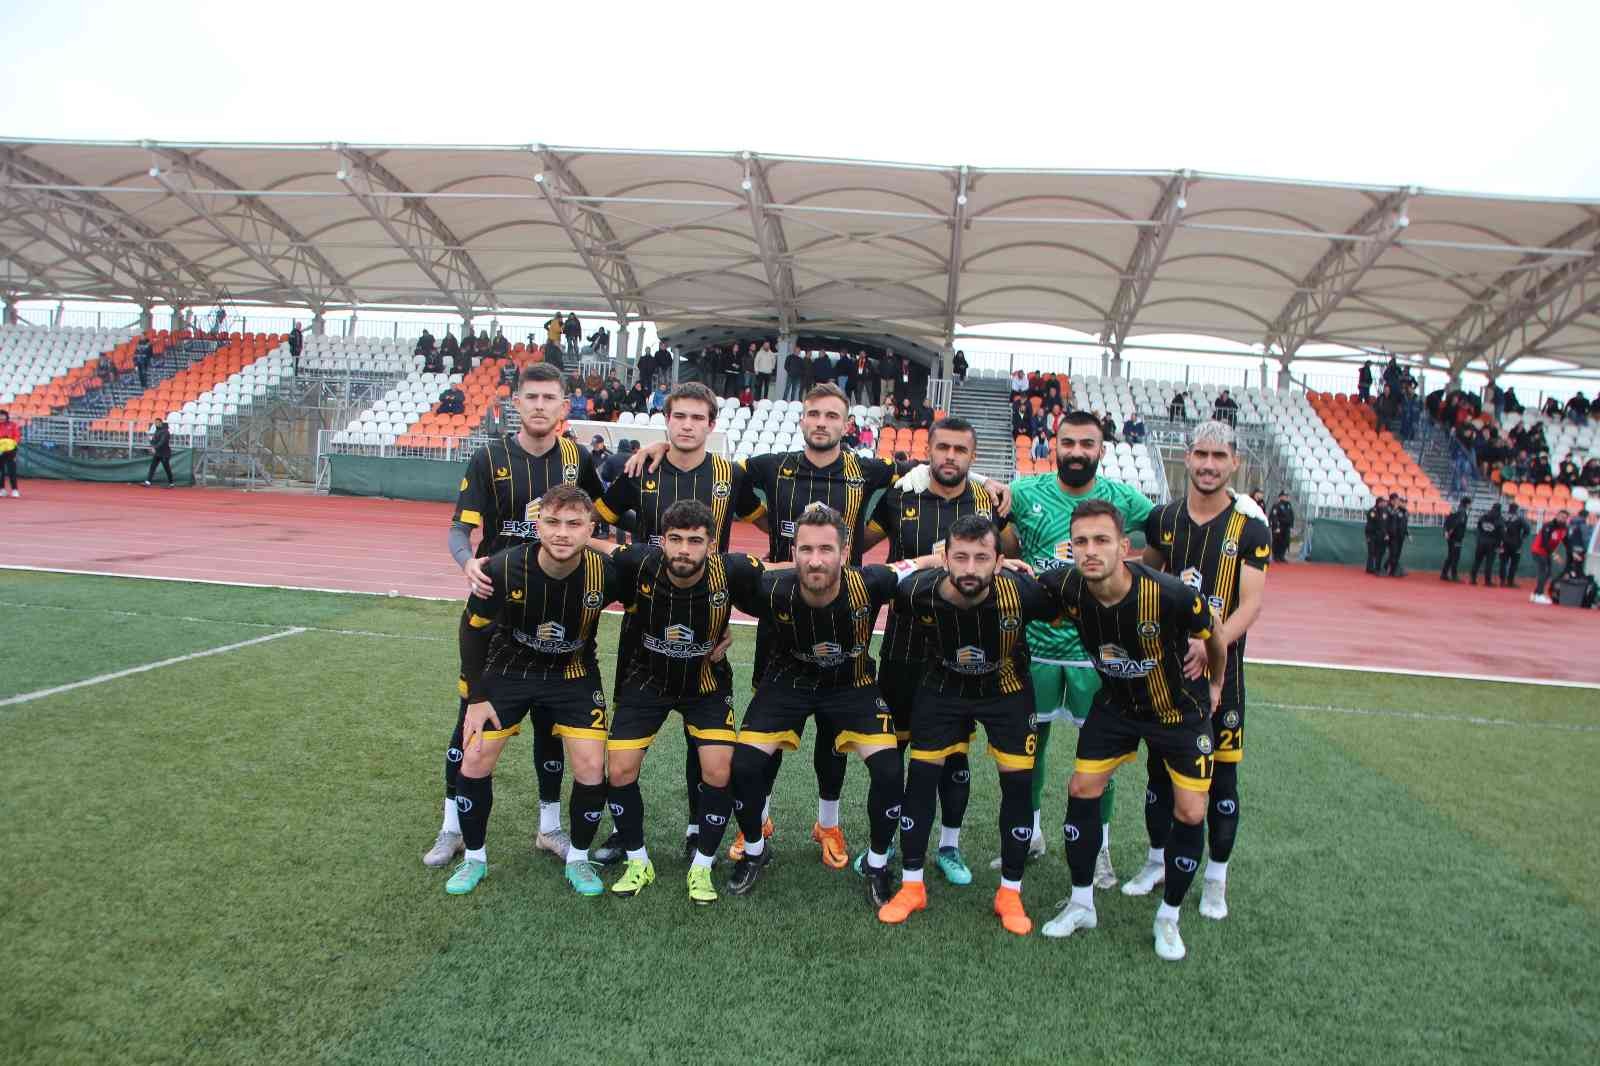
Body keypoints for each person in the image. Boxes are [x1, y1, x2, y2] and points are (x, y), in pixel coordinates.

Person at [626, 384, 1010, 869]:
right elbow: (702, 460)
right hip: (781, 614)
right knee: (769, 728)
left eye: (832, 415)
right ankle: (758, 822)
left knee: (833, 731)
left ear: (846, 423)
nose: (822, 422)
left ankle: (828, 823)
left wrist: (988, 479)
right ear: (802, 419)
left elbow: (941, 464)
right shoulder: (768, 466)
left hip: (844, 616)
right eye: (814, 414)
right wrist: (663, 445)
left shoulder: (867, 470)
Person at [423, 363, 606, 870]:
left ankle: (550, 828)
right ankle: (451, 828)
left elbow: (606, 513)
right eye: (532, 397)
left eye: (550, 398)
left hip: (557, 607)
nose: (540, 406)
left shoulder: (576, 459)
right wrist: (468, 562)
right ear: (517, 403)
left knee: (552, 723)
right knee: (470, 719)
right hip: (498, 606)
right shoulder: (489, 457)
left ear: (564, 406)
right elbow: (459, 529)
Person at [1039, 500, 1227, 961]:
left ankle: (1168, 916)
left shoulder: (1170, 594)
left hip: (1177, 711)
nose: (1090, 550)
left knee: (1190, 811)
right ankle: (1081, 903)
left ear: (1124, 547)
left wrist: (1217, 682)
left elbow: (1215, 635)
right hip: (1117, 706)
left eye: (1101, 540)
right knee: (1081, 788)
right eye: (1081, 542)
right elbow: (1022, 584)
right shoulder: (1066, 586)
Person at [590, 384, 763, 863]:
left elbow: (770, 521)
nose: (687, 425)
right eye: (679, 417)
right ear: (666, 421)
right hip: (643, 621)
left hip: (707, 623)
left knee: (700, 738)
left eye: (696, 417)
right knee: (628, 735)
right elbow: (595, 516)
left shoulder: (731, 475)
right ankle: (622, 833)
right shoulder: (641, 469)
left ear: (712, 424)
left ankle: (695, 827)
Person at [877, 516, 1056, 934]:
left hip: (1007, 690)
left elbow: (1077, 603)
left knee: (1018, 787)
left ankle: (1010, 892)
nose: (970, 568)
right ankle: (912, 885)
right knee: (921, 781)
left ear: (1000, 562)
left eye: (982, 558)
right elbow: (871, 589)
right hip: (942, 688)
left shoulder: (1024, 592)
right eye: (960, 557)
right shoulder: (916, 592)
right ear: (945, 559)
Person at [722, 505, 908, 908]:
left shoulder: (871, 583)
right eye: (806, 549)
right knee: (744, 766)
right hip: (788, 682)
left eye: (826, 549)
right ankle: (755, 850)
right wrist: (717, 631)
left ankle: (877, 864)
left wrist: (982, 564)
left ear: (845, 553)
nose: (815, 560)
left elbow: (921, 568)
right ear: (793, 553)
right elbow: (712, 582)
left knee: (890, 771)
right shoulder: (771, 587)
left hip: (852, 684)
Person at [997, 410, 1155, 882]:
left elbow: (1169, 529)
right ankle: (1030, 834)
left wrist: (1138, 576)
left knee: (1100, 755)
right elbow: (994, 524)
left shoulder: (1122, 497)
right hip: (1036, 644)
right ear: (1054, 444)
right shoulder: (1025, 491)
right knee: (1030, 747)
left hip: (1097, 650)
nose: (1077, 452)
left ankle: (1100, 847)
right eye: (1069, 443)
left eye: (1088, 444)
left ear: (1101, 450)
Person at [446, 485, 624, 897]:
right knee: (474, 757)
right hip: (509, 670)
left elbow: (652, 606)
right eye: (553, 522)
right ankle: (474, 858)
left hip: (574, 673)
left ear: (591, 529)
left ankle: (578, 858)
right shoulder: (503, 567)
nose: (562, 532)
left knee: (591, 766)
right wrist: (476, 698)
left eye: (574, 524)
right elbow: (471, 630)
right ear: (537, 525)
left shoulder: (608, 573)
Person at [1129, 421, 1269, 922]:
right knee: (1159, 774)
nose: (1209, 465)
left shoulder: (1251, 528)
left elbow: (1251, 605)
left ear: (1234, 463)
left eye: (1219, 456)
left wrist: (1213, 645)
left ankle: (1216, 879)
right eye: (1201, 455)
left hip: (1222, 676)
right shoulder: (1163, 519)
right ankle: (1156, 861)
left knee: (1222, 782)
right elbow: (1146, 577)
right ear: (1186, 458)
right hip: (1168, 674)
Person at [858, 418, 1005, 887]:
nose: (950, 456)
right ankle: (883, 842)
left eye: (961, 450)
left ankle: (948, 846)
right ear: (929, 449)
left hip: (959, 652)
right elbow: (860, 546)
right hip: (902, 646)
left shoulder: (988, 502)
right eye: (943, 447)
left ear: (972, 457)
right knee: (892, 756)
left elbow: (1005, 560)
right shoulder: (902, 495)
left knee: (953, 758)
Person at [597, 501, 766, 902]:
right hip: (647, 681)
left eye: (694, 541)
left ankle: (702, 866)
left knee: (719, 770)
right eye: (675, 540)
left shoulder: (733, 570)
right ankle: (638, 861)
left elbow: (778, 578)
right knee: (618, 769)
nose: (684, 550)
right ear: (662, 542)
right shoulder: (641, 562)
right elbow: (601, 546)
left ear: (711, 545)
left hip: (706, 684)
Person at [1530, 510, 1569, 605]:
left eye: (1564, 518)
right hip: (1538, 550)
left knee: (1547, 573)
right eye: (1561, 516)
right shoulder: (1548, 526)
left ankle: (1535, 594)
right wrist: (1555, 555)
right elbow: (1545, 542)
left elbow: (1567, 542)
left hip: (1547, 553)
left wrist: (1573, 552)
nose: (1562, 519)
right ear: (1557, 516)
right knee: (1544, 572)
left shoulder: (1564, 528)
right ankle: (1539, 595)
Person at [1469, 501, 1504, 586]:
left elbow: (1478, 527)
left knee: (1477, 561)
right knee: (1489, 563)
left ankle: (1472, 579)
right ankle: (1487, 581)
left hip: (1481, 542)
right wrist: (1499, 545)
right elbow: (1501, 534)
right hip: (1492, 544)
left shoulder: (1484, 516)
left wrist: (1480, 537)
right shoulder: (1499, 519)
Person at [1499, 503, 1529, 588]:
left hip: (1504, 543)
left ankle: (1502, 581)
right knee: (1514, 563)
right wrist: (1522, 538)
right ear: (1516, 509)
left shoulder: (1503, 517)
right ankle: (1510, 582)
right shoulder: (1519, 518)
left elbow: (1498, 528)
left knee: (1503, 562)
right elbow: (1527, 529)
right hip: (1516, 544)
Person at [1441, 497, 1471, 581]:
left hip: (1450, 537)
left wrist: (1446, 532)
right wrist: (1450, 532)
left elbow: (1447, 521)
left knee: (1450, 556)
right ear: (1467, 504)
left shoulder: (1454, 510)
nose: (1470, 506)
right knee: (1455, 557)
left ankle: (1444, 574)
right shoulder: (1462, 512)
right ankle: (1454, 575)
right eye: (1469, 504)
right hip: (1456, 538)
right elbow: (1456, 523)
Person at [1383, 493, 1410, 576]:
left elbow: (1404, 525)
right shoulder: (1389, 508)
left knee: (1397, 553)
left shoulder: (1404, 511)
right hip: (1392, 535)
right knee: (1393, 553)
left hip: (1400, 535)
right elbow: (1387, 522)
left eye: (1405, 502)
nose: (1404, 503)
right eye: (1402, 502)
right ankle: (1390, 569)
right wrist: (1386, 533)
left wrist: (1408, 534)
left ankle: (1390, 569)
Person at [143, 419, 174, 487]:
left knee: (167, 469)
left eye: (157, 422)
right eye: (155, 423)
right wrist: (150, 440)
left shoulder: (165, 432)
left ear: (161, 423)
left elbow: (162, 442)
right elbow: (155, 441)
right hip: (157, 453)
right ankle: (148, 482)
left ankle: (171, 483)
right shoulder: (157, 431)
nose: (156, 424)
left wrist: (154, 447)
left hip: (165, 453)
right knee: (152, 467)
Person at [1363, 496, 1389, 575]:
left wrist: (1385, 533)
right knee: (1371, 551)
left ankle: (1374, 568)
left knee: (1376, 552)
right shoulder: (1372, 511)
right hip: (1371, 534)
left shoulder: (1383, 511)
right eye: (1383, 502)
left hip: (1378, 535)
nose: (1384, 504)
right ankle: (1370, 568)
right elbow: (1377, 520)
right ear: (1379, 503)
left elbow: (1384, 523)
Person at [1269, 490, 1295, 563]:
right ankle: (1276, 556)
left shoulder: (1289, 505)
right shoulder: (1277, 505)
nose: (1287, 497)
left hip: (1286, 527)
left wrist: (1292, 526)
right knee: (1277, 541)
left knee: (1285, 541)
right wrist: (1276, 526)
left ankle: (1281, 556)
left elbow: (1292, 516)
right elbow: (1274, 516)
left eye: (1287, 496)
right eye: (1285, 496)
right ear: (1280, 497)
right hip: (1279, 526)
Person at [0, 409, 21, 497]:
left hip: (11, 450)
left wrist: (14, 443)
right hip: (0, 451)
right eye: (0, 416)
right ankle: (2, 489)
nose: (1, 417)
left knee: (12, 470)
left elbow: (17, 435)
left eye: (3, 415)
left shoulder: (13, 425)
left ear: (6, 416)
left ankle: (15, 490)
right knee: (0, 471)